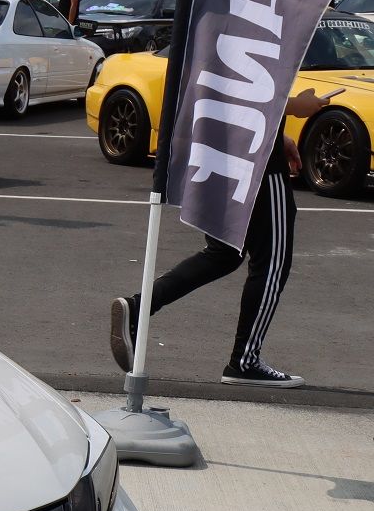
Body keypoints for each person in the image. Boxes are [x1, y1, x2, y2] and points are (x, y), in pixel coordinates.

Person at [108, 89, 334, 388]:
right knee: (271, 264)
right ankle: (245, 362)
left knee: (223, 254)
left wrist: (275, 136)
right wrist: (293, 106)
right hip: (260, 169)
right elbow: (255, 91)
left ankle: (139, 306)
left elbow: (233, 89)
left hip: (229, 156)